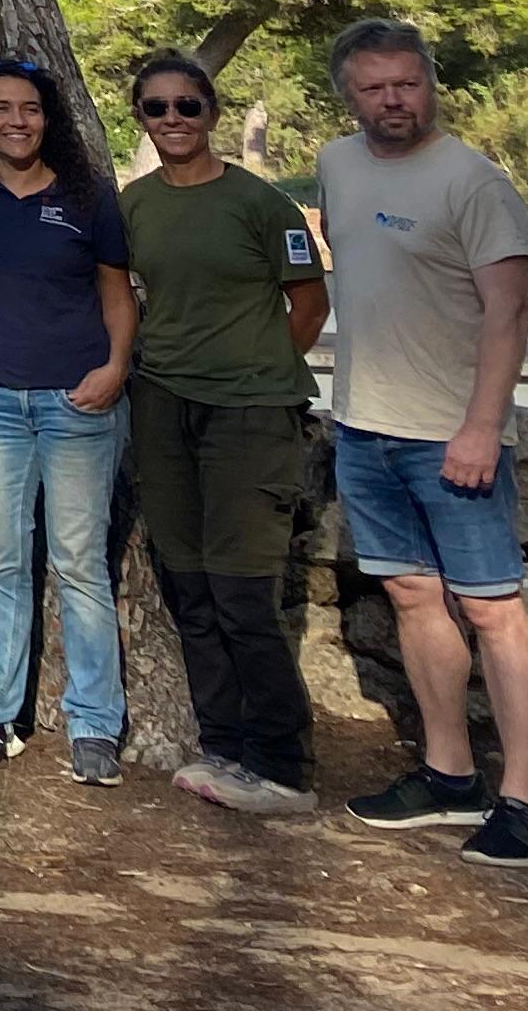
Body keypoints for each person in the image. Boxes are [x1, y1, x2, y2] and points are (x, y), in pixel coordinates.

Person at [315, 17, 528, 866]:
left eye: (406, 84)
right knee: (413, 598)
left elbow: (511, 311)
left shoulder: (474, 182)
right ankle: (449, 775)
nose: (392, 101)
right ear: (350, 94)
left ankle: (523, 803)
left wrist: (482, 427)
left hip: (452, 437)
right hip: (364, 426)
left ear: (430, 85)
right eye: (374, 87)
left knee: (493, 607)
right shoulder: (337, 164)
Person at [118, 47, 329, 816]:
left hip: (250, 415)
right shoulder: (134, 206)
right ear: (140, 117)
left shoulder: (262, 205)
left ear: (210, 112)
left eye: (188, 106)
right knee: (190, 583)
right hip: (163, 407)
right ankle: (225, 748)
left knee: (244, 593)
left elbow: (308, 306)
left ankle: (283, 767)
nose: (173, 119)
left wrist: (255, 369)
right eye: (156, 108)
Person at [0, 57, 136, 780]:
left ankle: (94, 726)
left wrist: (115, 367)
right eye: (0, 108)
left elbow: (118, 294)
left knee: (79, 565)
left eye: (29, 108)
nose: (16, 121)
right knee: (0, 563)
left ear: (47, 119)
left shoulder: (90, 199)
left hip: (77, 404)